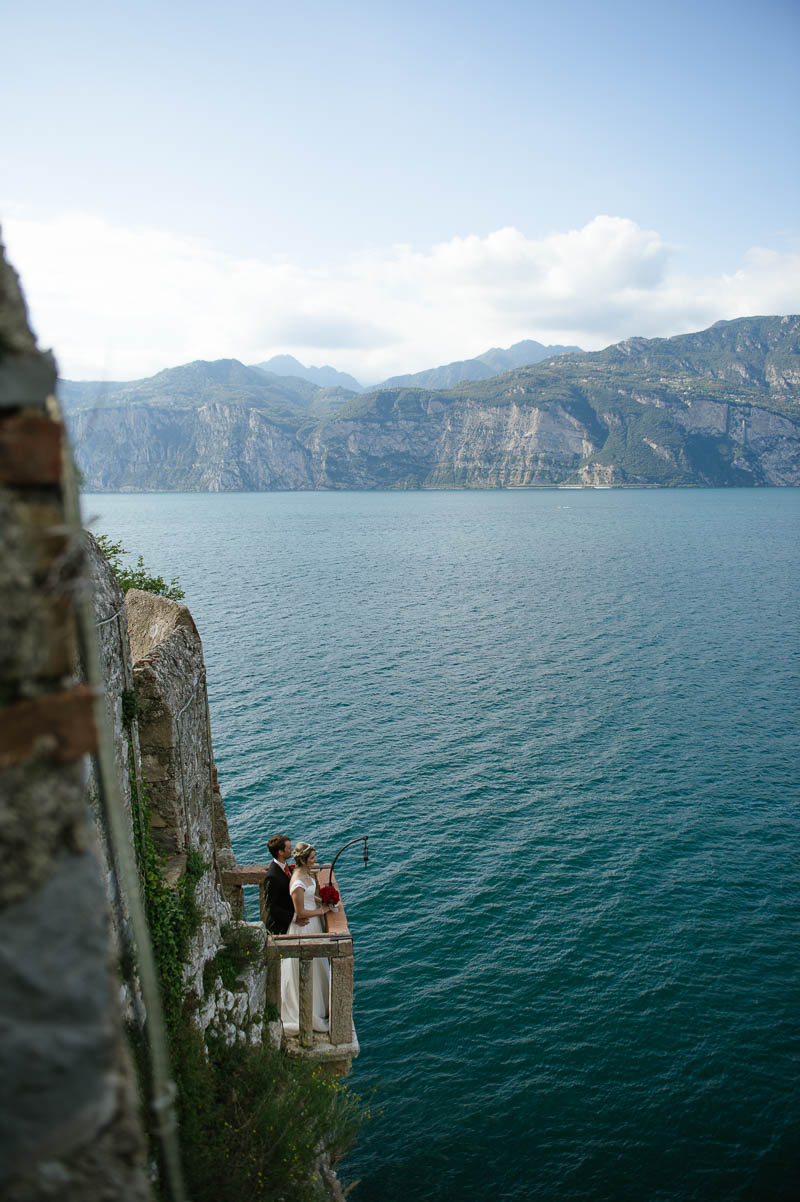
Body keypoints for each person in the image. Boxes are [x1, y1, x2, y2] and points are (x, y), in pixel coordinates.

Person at [280, 841, 333, 1033]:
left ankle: (322, 1004)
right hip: (305, 926)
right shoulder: (297, 881)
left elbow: (310, 896)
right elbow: (300, 911)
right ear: (303, 860)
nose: (315, 860)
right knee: (311, 966)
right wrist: (322, 911)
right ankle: (310, 1010)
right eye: (312, 858)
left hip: (313, 925)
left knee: (319, 965)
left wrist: (322, 899)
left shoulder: (305, 874)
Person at [265, 833, 307, 935]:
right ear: (280, 852)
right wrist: (293, 918)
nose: (291, 850)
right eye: (288, 848)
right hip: (280, 927)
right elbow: (270, 906)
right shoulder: (272, 876)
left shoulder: (286, 867)